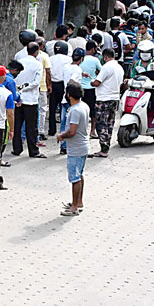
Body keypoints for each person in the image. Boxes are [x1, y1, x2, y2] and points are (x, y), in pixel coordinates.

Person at [56, 82, 89, 216]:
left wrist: (61, 136)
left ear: (69, 94)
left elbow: (72, 131)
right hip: (83, 146)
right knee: (79, 174)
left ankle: (74, 207)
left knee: (74, 178)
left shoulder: (75, 110)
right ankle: (79, 202)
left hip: (76, 148)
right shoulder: (84, 106)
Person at [13, 40, 45, 158]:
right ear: (36, 52)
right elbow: (36, 83)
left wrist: (20, 88)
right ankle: (33, 150)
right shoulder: (38, 65)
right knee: (31, 127)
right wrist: (26, 87)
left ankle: (17, 148)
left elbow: (14, 79)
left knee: (17, 125)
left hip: (18, 98)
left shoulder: (19, 62)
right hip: (31, 99)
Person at [48, 41, 71, 136]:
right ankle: (63, 128)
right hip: (63, 84)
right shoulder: (68, 59)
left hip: (53, 84)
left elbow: (48, 71)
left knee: (52, 108)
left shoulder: (50, 59)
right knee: (64, 107)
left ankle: (51, 130)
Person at [81, 41, 103, 136]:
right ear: (93, 49)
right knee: (93, 111)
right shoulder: (95, 60)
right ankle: (92, 131)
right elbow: (102, 72)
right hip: (91, 88)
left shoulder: (81, 58)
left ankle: (81, 130)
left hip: (80, 88)